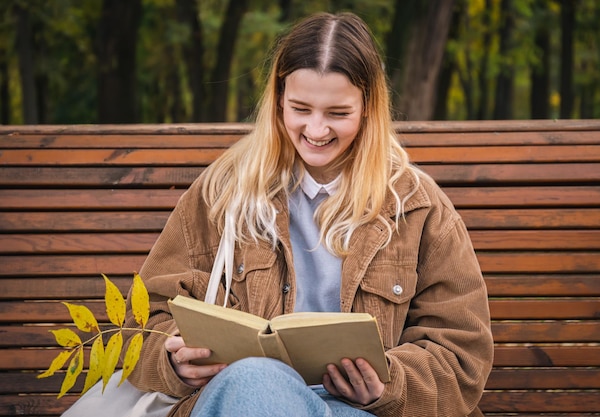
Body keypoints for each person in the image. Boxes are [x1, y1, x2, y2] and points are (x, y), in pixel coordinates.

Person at [66, 11, 493, 417]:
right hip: (239, 399)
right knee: (259, 381)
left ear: (368, 110)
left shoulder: (416, 206)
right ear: (278, 103)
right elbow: (146, 320)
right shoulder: (224, 192)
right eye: (301, 110)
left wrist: (389, 385)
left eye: (338, 114)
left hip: (358, 411)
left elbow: (461, 354)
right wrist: (173, 363)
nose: (317, 130)